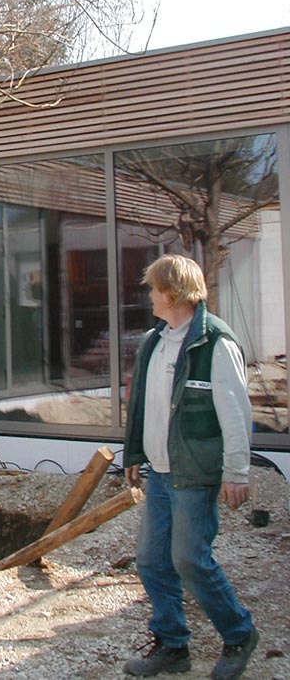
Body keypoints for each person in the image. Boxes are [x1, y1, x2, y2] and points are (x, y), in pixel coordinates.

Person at [123, 254, 259, 679]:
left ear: (173, 291)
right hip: (160, 474)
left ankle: (239, 633)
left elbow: (236, 413)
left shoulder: (215, 343)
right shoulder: (155, 340)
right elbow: (142, 406)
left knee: (189, 559)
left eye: (153, 288)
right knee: (150, 561)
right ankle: (173, 645)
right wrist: (134, 457)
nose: (149, 294)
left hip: (195, 475)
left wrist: (236, 473)